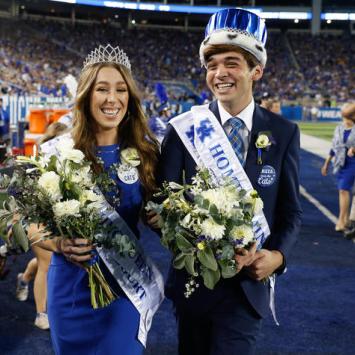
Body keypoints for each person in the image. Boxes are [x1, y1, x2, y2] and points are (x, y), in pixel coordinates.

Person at [150, 8, 302, 355]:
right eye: (212, 64)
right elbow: (161, 205)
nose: (220, 73)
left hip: (248, 286)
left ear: (256, 71)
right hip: (194, 284)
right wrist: (197, 242)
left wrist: (277, 256)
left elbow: (291, 212)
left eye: (232, 62)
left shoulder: (284, 132)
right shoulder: (183, 129)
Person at [27, 44, 161, 354]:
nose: (112, 99)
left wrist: (164, 221)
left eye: (121, 90)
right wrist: (60, 243)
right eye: (102, 89)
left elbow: (159, 219)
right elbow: (32, 226)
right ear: (86, 96)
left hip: (125, 290)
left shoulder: (146, 154)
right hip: (68, 292)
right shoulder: (55, 153)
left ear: (130, 98)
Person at [15, 122, 68, 330]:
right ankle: (41, 314)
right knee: (46, 264)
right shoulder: (35, 167)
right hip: (38, 221)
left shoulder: (68, 164)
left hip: (60, 221)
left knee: (47, 260)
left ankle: (24, 277)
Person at [321, 107, 355, 232]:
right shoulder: (338, 128)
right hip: (340, 163)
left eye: (346, 117)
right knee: (343, 191)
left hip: (353, 162)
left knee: (343, 190)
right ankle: (345, 219)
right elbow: (333, 147)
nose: (344, 120)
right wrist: (326, 163)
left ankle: (341, 221)